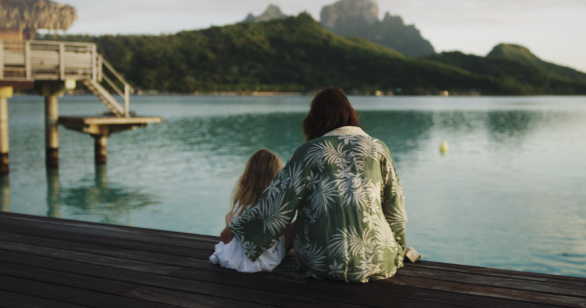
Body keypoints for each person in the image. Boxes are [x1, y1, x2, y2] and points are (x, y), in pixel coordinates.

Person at [224, 86, 408, 283]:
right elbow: (395, 209)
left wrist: (238, 232)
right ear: (350, 114)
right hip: (379, 260)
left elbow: (276, 208)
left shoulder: (307, 152)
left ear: (315, 119)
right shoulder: (378, 149)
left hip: (323, 262)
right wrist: (399, 247)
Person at [210, 148, 295, 272]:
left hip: (232, 257)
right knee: (298, 223)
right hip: (261, 259)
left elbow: (226, 234)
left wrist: (232, 226)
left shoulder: (243, 197)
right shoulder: (272, 200)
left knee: (230, 215)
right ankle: (285, 252)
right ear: (275, 174)